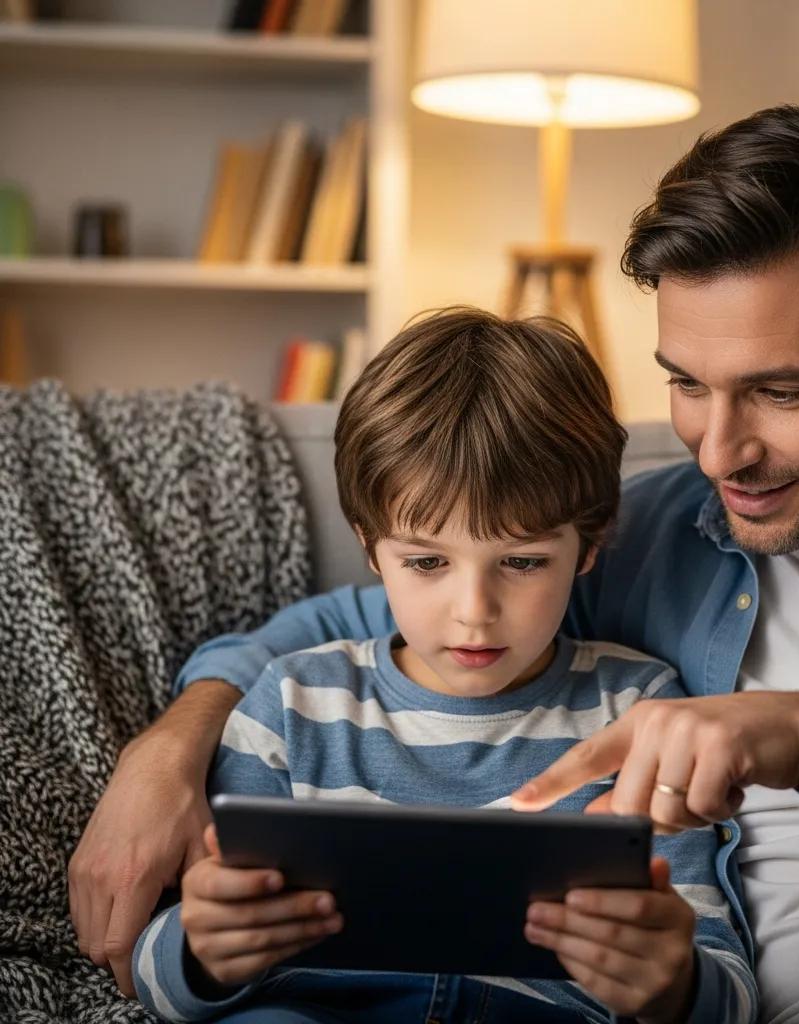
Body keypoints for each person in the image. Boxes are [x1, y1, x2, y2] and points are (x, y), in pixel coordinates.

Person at [71, 100, 799, 1023]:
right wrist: (167, 751)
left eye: (780, 391)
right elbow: (346, 627)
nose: (717, 452)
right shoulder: (637, 532)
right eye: (687, 385)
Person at [129, 308, 756, 1023]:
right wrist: (201, 953)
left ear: (589, 547)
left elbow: (726, 987)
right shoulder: (293, 702)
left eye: (522, 562)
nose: (474, 611)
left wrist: (675, 986)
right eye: (426, 562)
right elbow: (157, 974)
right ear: (370, 548)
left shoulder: (640, 712)